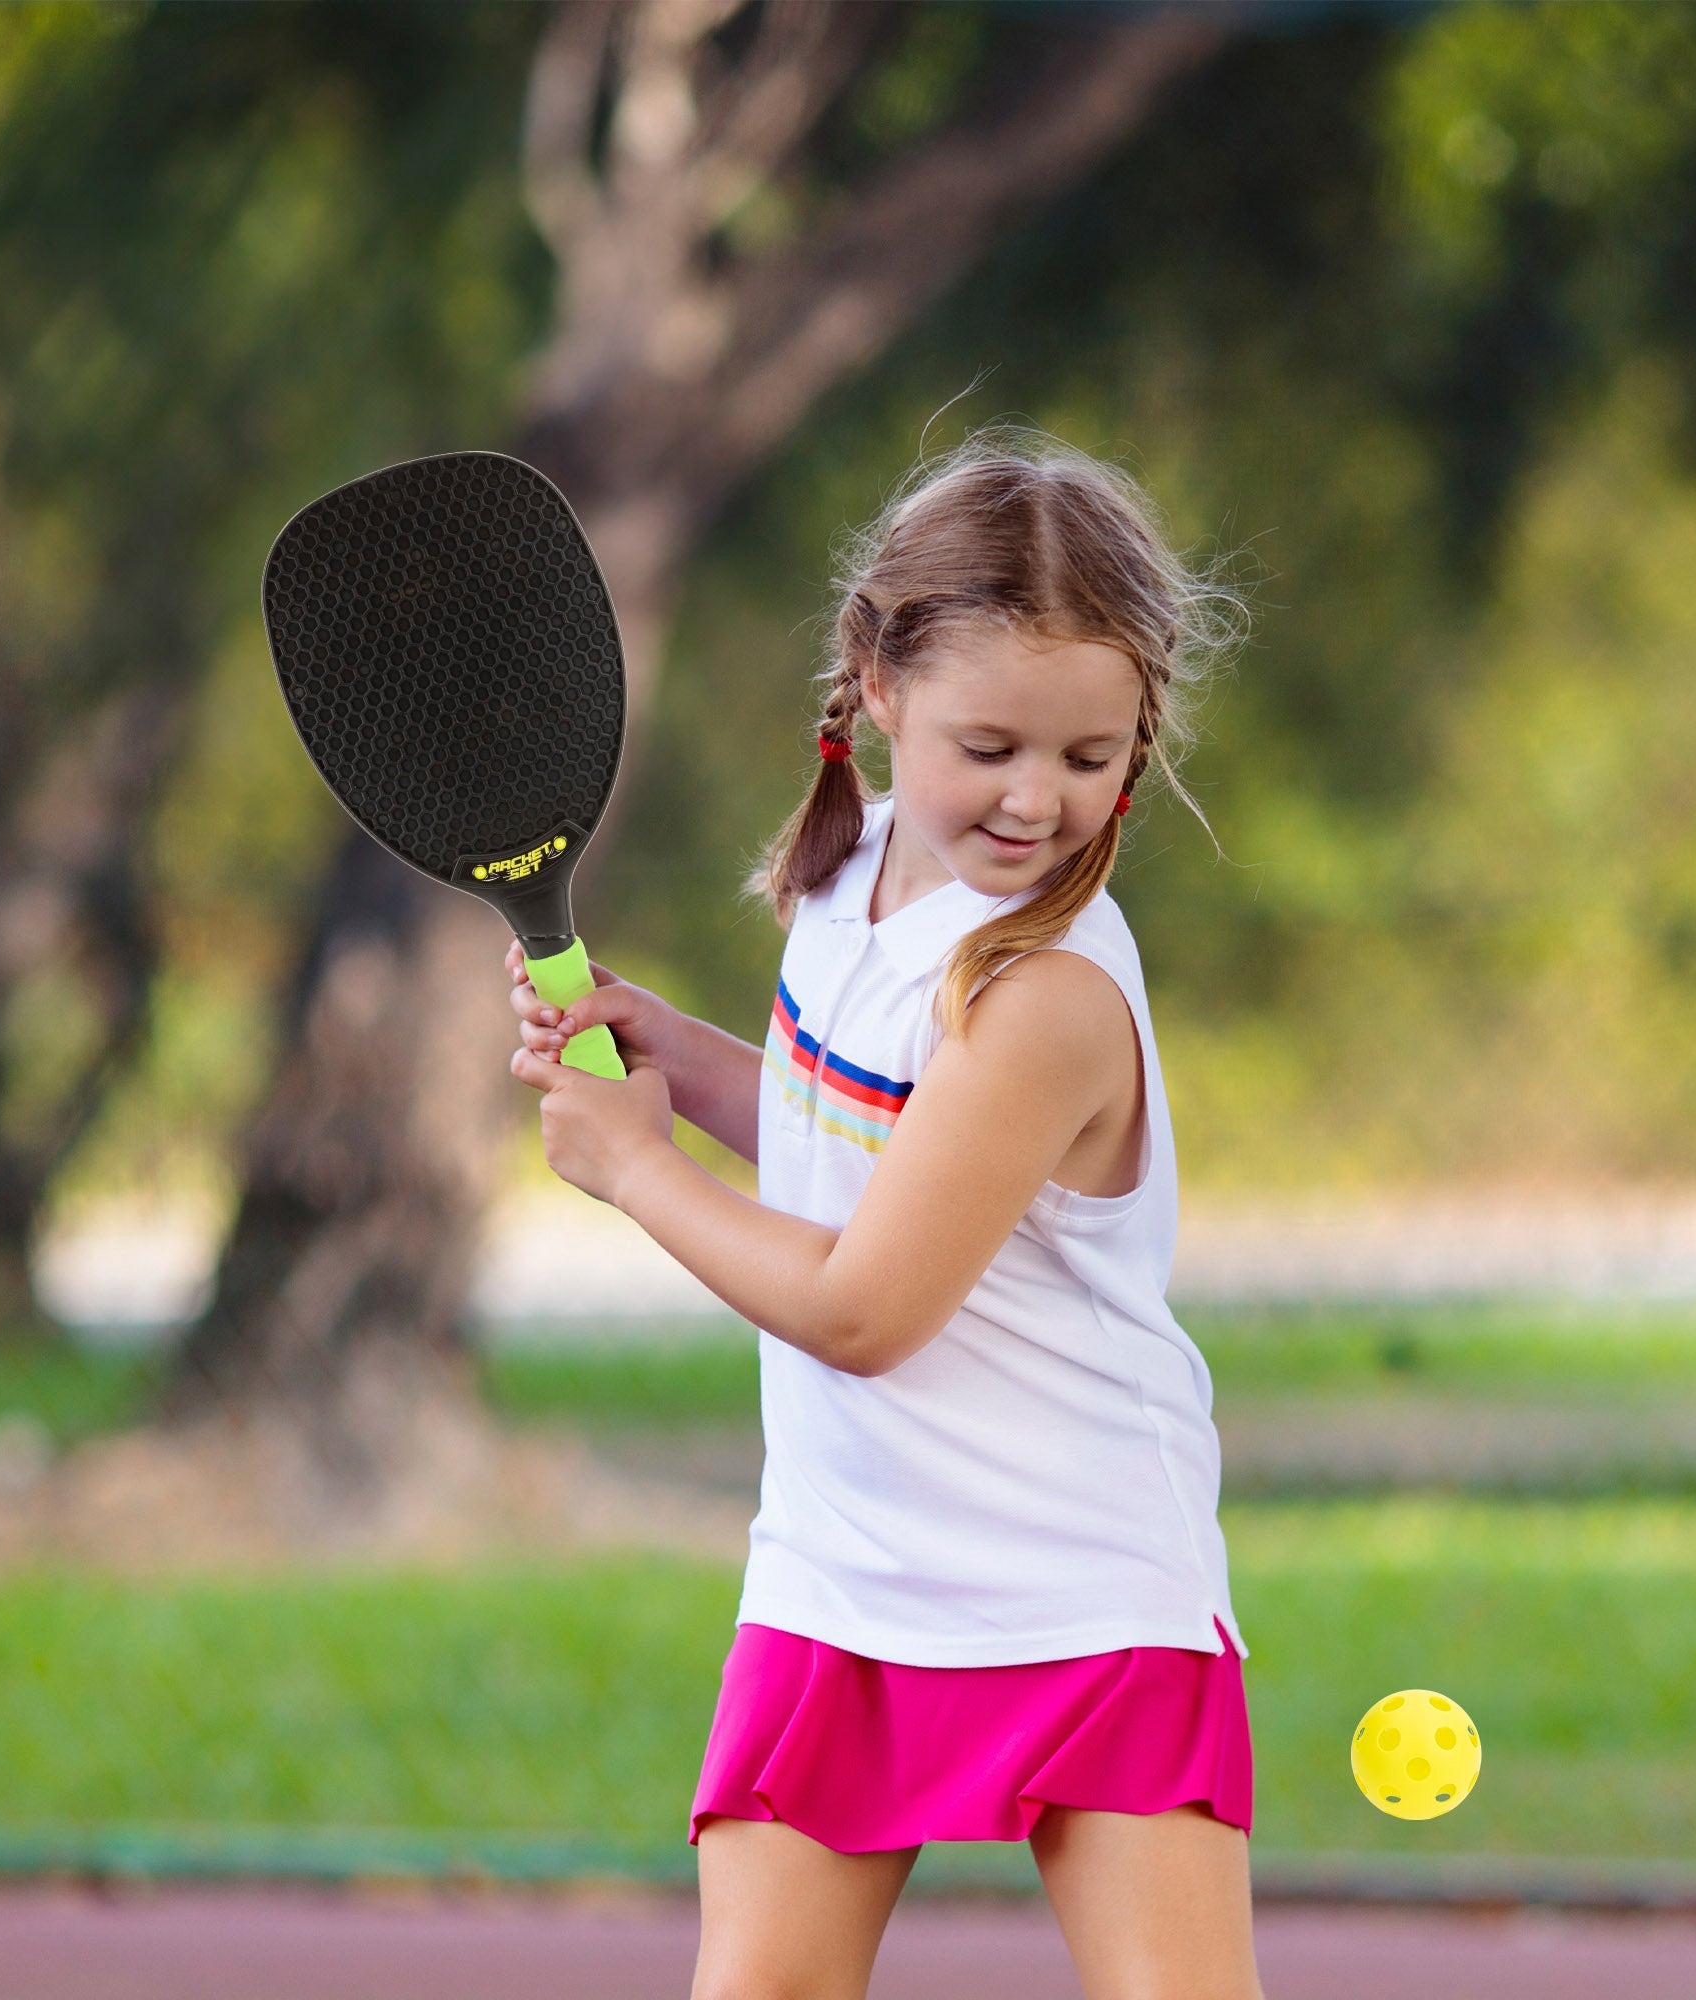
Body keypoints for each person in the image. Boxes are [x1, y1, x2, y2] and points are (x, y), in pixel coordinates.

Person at [505, 429, 1262, 2000]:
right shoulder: (847, 874)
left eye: (1088, 756)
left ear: (1142, 738)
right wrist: (678, 1058)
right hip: (847, 1568)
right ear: (876, 683)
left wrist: (641, 1171)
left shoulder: (1046, 994)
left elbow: (865, 1307)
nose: (1036, 801)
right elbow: (835, 1117)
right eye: (990, 746)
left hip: (1083, 1577)